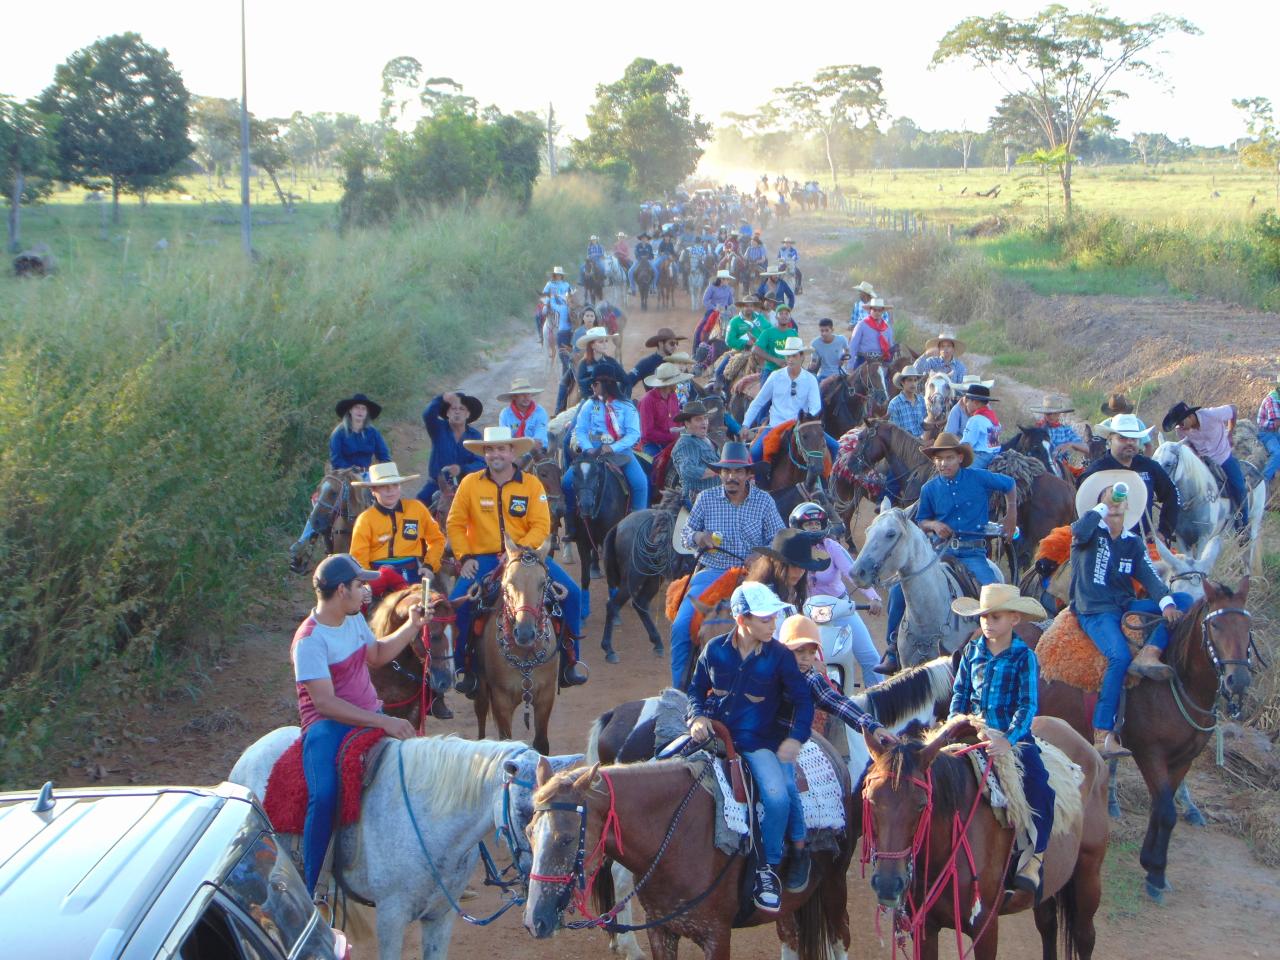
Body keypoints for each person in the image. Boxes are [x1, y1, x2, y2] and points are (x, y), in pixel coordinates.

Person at [292, 553, 423, 894]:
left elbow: (376, 655)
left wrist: (412, 626)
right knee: (324, 796)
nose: (366, 590)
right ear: (341, 591)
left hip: (368, 713)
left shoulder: (352, 619)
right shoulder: (309, 640)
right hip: (327, 726)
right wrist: (383, 721)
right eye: (358, 584)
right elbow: (325, 703)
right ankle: (314, 886)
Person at [686, 582, 813, 910]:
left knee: (777, 797)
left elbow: (803, 702)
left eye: (773, 618)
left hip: (757, 744)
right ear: (742, 620)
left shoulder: (780, 657)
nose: (773, 624)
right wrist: (696, 717)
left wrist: (795, 739)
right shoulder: (714, 650)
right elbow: (696, 689)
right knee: (664, 766)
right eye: (766, 619)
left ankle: (767, 866)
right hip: (713, 738)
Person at [447, 427, 588, 692]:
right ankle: (464, 667)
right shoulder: (469, 484)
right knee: (458, 603)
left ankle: (571, 662)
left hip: (527, 557)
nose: (496, 454)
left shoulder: (532, 485)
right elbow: (455, 524)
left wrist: (519, 550)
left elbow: (541, 524)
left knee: (572, 594)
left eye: (502, 448)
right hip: (483, 559)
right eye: (490, 449)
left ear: (512, 453)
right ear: (484, 454)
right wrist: (464, 558)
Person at [1070, 470, 1189, 759]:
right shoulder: (1089, 533)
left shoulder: (1132, 542)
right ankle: (1102, 733)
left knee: (1185, 599)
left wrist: (1167, 604)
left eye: (1118, 499)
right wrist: (1102, 506)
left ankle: (1150, 652)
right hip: (1094, 609)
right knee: (1119, 657)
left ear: (1127, 506)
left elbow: (1150, 577)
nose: (1114, 502)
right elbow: (1079, 531)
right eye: (1107, 497)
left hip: (1123, 605)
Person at [876, 433, 1017, 675]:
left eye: (949, 458)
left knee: (993, 595)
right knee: (899, 589)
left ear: (960, 458)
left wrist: (1011, 514)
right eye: (939, 459)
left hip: (972, 553)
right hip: (939, 552)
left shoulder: (979, 478)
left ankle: (1000, 650)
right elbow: (921, 521)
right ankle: (892, 649)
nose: (944, 463)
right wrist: (934, 525)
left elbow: (1010, 484)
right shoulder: (929, 489)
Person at [947, 583, 1054, 898]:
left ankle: (1034, 859)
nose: (987, 623)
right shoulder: (971, 652)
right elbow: (960, 694)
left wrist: (1009, 739)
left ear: (1014, 619)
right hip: (971, 731)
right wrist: (955, 723)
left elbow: (1027, 704)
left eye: (995, 617)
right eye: (983, 617)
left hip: (1012, 736)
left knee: (1040, 787)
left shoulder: (1024, 657)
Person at [673, 441, 785, 686]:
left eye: (737, 471)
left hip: (753, 576)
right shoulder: (706, 499)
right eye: (726, 471)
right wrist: (698, 537)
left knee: (777, 625)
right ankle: (679, 691)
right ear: (720, 473)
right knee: (681, 627)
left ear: (748, 474)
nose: (731, 477)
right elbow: (685, 534)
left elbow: (779, 538)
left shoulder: (764, 501)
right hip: (711, 572)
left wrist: (761, 555)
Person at [789, 502, 883, 688]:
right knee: (794, 659)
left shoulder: (831, 546)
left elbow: (852, 573)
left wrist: (874, 597)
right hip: (805, 613)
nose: (814, 527)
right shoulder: (791, 551)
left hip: (840, 609)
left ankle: (877, 700)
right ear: (798, 527)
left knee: (871, 659)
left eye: (817, 523)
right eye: (809, 524)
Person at [778, 615, 895, 744]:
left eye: (812, 653)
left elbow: (839, 703)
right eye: (800, 651)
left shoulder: (811, 679)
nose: (806, 658)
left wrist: (871, 726)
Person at [563, 365, 648, 526]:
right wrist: (588, 448)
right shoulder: (589, 404)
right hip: (593, 447)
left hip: (620, 449)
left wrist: (613, 447)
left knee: (640, 483)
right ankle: (571, 524)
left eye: (595, 383)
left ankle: (638, 523)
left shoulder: (626, 406)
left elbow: (633, 434)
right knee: (566, 483)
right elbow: (580, 430)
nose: (592, 387)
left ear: (606, 383)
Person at [1078, 413, 1180, 542]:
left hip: (1143, 543)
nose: (1130, 442)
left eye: (1134, 438)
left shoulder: (1149, 466)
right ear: (1110, 439)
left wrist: (1164, 532)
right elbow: (1082, 505)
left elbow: (1172, 494)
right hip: (1106, 543)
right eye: (1122, 438)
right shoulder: (1096, 470)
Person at [350, 461, 446, 585]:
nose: (390, 490)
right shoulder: (365, 519)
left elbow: (437, 539)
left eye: (395, 485)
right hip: (377, 575)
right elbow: (358, 556)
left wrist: (429, 565)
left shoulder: (417, 509)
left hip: (413, 573)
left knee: (438, 597)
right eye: (383, 486)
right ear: (373, 490)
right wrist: (367, 581)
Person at [1163, 400, 1250, 533]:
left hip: (1223, 457)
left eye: (1181, 422)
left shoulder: (1212, 415)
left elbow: (1233, 409)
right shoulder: (1180, 431)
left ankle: (1243, 525)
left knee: (1239, 487)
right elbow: (1189, 445)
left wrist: (1230, 433)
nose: (1180, 426)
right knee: (1184, 488)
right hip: (1203, 462)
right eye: (1178, 424)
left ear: (1190, 416)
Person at [418, 391, 485, 505]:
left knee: (484, 506)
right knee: (417, 505)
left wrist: (461, 469)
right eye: (453, 408)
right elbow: (427, 415)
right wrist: (441, 398)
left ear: (468, 414)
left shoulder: (475, 435)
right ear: (447, 413)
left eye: (462, 409)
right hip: (436, 485)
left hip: (465, 484)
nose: (457, 411)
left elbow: (481, 463)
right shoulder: (438, 428)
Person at [671, 401, 722, 502]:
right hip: (697, 500)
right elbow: (687, 470)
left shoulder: (706, 439)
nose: (704, 422)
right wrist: (720, 471)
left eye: (705, 418)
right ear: (687, 423)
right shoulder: (685, 443)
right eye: (698, 419)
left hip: (715, 496)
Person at [639, 363, 693, 456]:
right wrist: (670, 434)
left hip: (672, 441)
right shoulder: (647, 401)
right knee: (656, 463)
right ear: (668, 384)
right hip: (653, 444)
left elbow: (676, 418)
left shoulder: (673, 396)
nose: (677, 384)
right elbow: (647, 432)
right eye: (675, 382)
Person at [329, 393, 391, 472]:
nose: (360, 411)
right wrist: (352, 470)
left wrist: (386, 468)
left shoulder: (373, 432)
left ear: (366, 413)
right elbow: (336, 460)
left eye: (363, 408)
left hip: (368, 473)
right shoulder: (338, 433)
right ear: (350, 410)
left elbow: (384, 455)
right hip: (344, 473)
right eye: (357, 407)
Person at [1029, 395, 1089, 470]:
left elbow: (1086, 448)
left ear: (1059, 414)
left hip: (1060, 466)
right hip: (1040, 465)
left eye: (1055, 413)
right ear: (1044, 413)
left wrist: (1070, 444)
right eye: (1048, 414)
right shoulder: (1037, 429)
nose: (1051, 416)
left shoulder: (1066, 430)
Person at [628, 327, 688, 395]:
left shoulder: (679, 362)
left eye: (676, 343)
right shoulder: (646, 364)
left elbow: (687, 385)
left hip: (677, 401)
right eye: (672, 343)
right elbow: (627, 382)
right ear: (660, 343)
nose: (675, 347)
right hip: (654, 401)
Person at [497, 378, 549, 455]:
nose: (526, 397)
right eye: (522, 394)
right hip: (513, 451)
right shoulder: (505, 414)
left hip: (537, 451)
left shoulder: (540, 412)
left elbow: (539, 439)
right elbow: (504, 439)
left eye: (528, 394)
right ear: (514, 397)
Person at [957, 383, 1002, 469]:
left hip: (981, 457)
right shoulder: (993, 419)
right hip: (995, 454)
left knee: (958, 471)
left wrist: (954, 449)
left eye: (967, 401)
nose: (966, 404)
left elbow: (967, 444)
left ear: (976, 403)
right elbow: (993, 443)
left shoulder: (975, 420)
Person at [752, 303, 800, 376]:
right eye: (781, 314)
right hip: (771, 370)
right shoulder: (767, 332)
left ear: (790, 318)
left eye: (786, 314)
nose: (784, 316)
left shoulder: (793, 333)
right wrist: (775, 360)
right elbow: (755, 349)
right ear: (776, 317)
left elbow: (799, 352)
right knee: (765, 384)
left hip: (790, 370)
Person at [847, 298, 894, 368]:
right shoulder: (861, 325)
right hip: (863, 361)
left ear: (882, 312)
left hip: (882, 361)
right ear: (870, 310)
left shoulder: (887, 328)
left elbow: (890, 347)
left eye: (879, 310)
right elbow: (853, 346)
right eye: (874, 310)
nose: (877, 312)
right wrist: (850, 365)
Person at [886, 364, 927, 439]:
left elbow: (922, 424)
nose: (913, 384)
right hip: (904, 443)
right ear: (902, 382)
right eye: (910, 380)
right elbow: (894, 432)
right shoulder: (894, 404)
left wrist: (936, 425)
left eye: (915, 380)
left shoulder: (921, 400)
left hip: (921, 441)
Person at [1256, 373, 1280, 484]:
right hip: (1266, 433)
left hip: (1275, 432)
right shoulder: (1273, 400)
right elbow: (1277, 423)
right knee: (1277, 453)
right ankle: (1263, 481)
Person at [808, 318, 849, 382]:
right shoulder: (815, 344)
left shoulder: (842, 339)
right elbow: (814, 360)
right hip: (824, 375)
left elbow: (847, 350)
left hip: (840, 373)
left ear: (832, 330)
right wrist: (812, 365)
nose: (824, 333)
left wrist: (844, 359)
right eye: (822, 331)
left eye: (827, 330)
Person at [542, 266, 575, 342]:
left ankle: (572, 330)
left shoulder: (566, 284)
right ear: (554, 275)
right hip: (552, 303)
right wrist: (547, 302)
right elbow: (545, 294)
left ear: (562, 275)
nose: (558, 276)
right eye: (557, 274)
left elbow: (571, 294)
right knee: (542, 313)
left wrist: (569, 296)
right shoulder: (549, 284)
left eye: (560, 274)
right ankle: (542, 334)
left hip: (565, 303)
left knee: (572, 313)